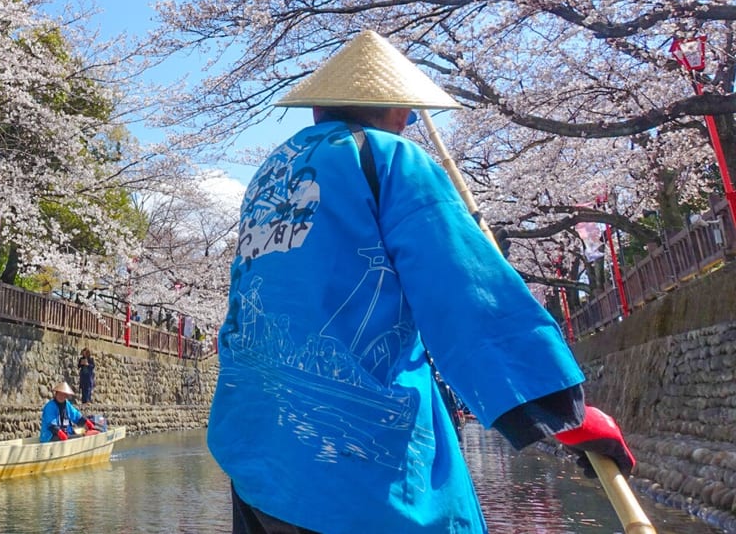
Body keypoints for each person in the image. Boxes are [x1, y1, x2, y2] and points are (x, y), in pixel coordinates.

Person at [207, 30, 635, 533]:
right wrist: (562, 412)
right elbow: (467, 295)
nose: (409, 120)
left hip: (257, 448)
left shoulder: (268, 173)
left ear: (319, 109)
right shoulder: (391, 160)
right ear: (391, 110)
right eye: (404, 109)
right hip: (357, 472)